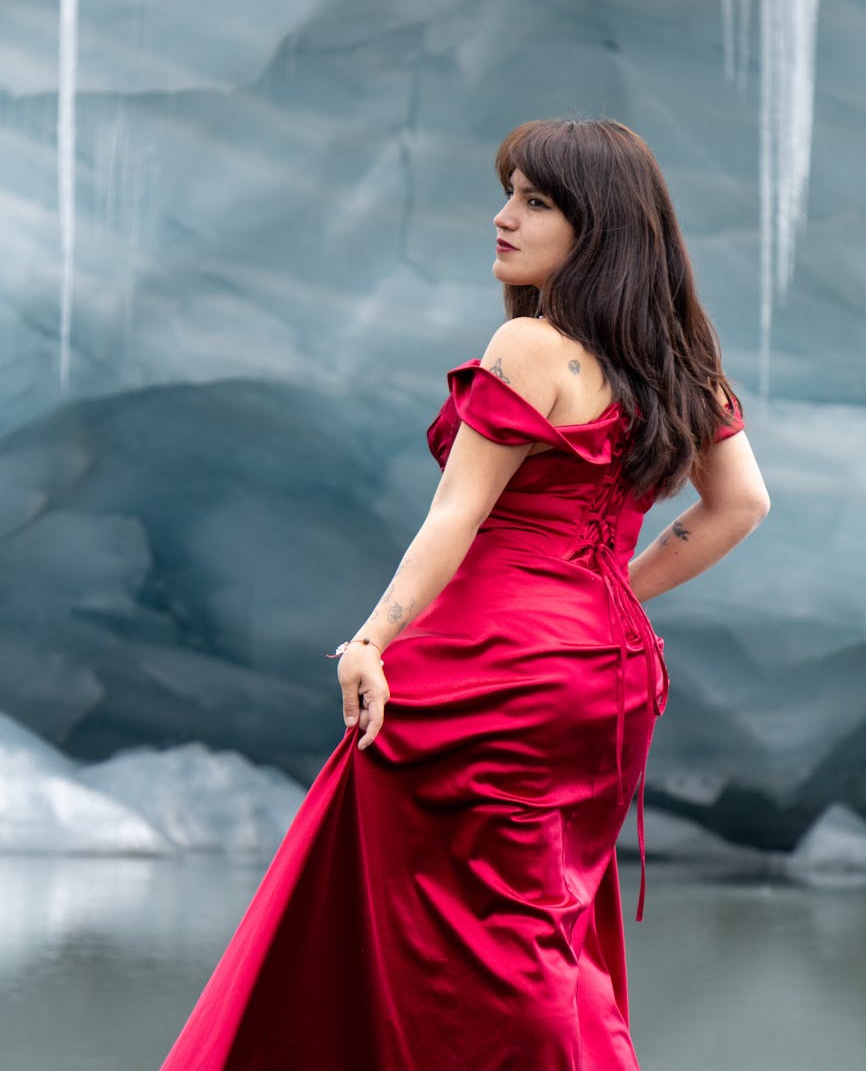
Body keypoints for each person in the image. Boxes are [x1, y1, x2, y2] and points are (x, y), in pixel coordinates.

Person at [159, 118, 770, 1071]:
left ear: (596, 227)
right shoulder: (684, 367)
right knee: (539, 923)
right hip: (606, 675)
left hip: (490, 667)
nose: (503, 217)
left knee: (481, 942)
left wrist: (368, 640)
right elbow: (741, 506)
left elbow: (455, 517)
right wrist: (611, 596)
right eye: (509, 193)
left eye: (534, 201)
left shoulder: (531, 345)